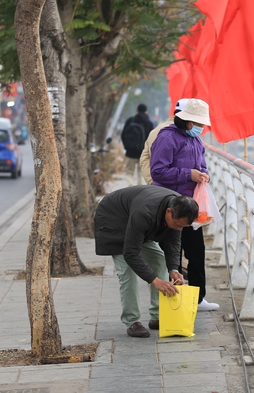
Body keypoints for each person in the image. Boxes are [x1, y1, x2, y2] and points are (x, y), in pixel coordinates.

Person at [94, 185, 198, 338]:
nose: (178, 229)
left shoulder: (178, 206)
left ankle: (157, 314)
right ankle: (132, 321)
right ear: (169, 212)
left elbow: (173, 244)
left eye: (183, 227)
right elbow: (130, 253)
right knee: (127, 272)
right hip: (114, 221)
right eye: (177, 225)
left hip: (137, 225)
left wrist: (174, 269)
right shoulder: (144, 212)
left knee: (159, 260)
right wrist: (154, 280)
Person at [150, 98, 220, 311]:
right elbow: (158, 171)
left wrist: (203, 174)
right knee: (172, 254)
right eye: (197, 123)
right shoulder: (167, 138)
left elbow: (202, 165)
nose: (200, 128)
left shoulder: (196, 141)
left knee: (196, 251)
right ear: (186, 121)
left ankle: (198, 298)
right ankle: (173, 300)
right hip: (171, 206)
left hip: (191, 207)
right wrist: (187, 174)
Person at [139, 98, 189, 185]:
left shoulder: (156, 130)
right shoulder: (168, 134)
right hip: (174, 188)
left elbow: (144, 158)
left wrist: (151, 181)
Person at [121, 104, 154, 185]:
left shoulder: (130, 120)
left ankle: (131, 186)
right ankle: (140, 192)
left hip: (130, 152)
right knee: (141, 174)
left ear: (136, 110)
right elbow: (151, 139)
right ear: (146, 112)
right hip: (143, 153)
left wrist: (126, 146)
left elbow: (123, 134)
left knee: (129, 172)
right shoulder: (149, 123)